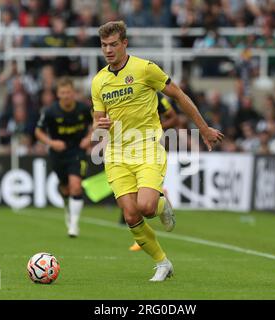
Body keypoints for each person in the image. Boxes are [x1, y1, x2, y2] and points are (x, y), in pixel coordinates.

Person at [91, 21, 223, 281]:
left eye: (113, 44)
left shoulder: (145, 69)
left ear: (124, 44)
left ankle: (162, 206)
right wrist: (101, 124)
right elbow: (98, 119)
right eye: (104, 45)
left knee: (147, 208)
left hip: (147, 148)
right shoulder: (99, 82)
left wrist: (204, 128)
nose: (108, 50)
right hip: (116, 153)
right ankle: (162, 263)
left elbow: (180, 96)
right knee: (130, 214)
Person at [35, 76, 92, 237]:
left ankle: (74, 225)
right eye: (63, 92)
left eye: (68, 92)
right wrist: (51, 143)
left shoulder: (83, 109)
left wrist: (88, 138)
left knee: (76, 186)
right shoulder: (50, 111)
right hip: (58, 153)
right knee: (65, 188)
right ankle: (67, 207)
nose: (66, 95)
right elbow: (38, 131)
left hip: (77, 152)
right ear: (58, 94)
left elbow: (96, 124)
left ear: (73, 93)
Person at [123, 92, 178, 252]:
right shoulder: (122, 92)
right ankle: (139, 236)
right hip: (124, 149)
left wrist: (155, 129)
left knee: (145, 201)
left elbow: (174, 118)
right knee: (128, 200)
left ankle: (161, 202)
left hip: (149, 146)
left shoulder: (155, 96)